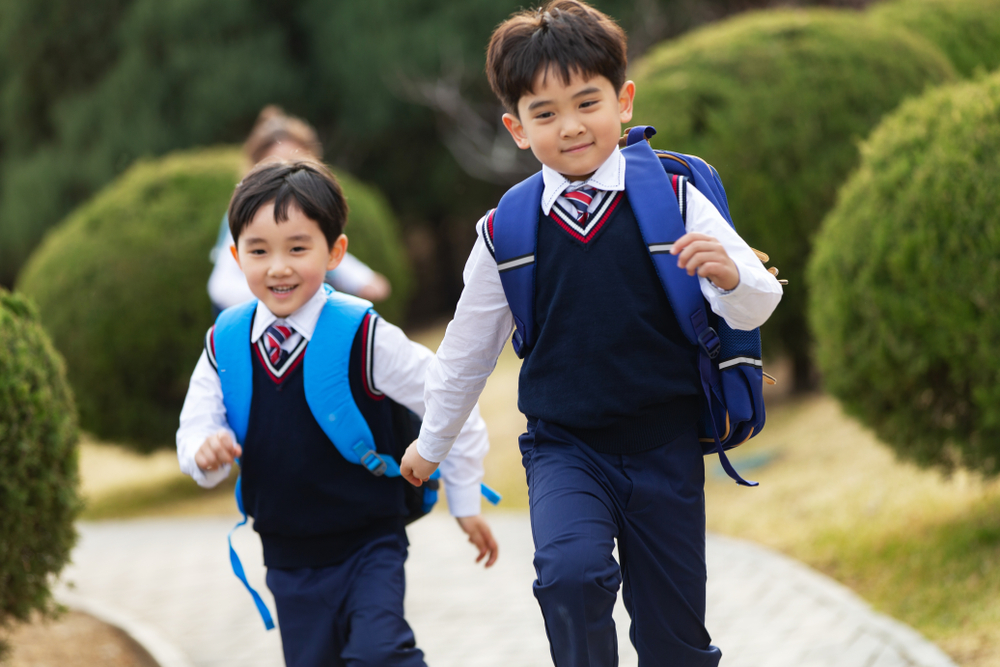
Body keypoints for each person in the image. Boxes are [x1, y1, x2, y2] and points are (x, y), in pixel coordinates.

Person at [400, 1, 782, 665]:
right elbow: (465, 356)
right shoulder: (506, 233)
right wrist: (430, 445)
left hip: (665, 446)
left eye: (587, 102)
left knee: (676, 640)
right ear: (516, 128)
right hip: (565, 447)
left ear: (624, 99)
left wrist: (729, 278)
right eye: (544, 114)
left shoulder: (673, 194)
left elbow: (758, 302)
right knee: (570, 578)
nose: (570, 127)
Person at [178, 159, 497, 667]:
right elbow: (196, 425)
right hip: (285, 554)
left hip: (370, 541)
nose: (278, 266)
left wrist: (463, 496)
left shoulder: (362, 335)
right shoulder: (226, 343)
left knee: (380, 654)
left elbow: (448, 394)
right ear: (237, 257)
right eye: (259, 251)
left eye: (298, 248)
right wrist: (206, 451)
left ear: (335, 252)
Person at [208, 106, 391, 313]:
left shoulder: (314, 208)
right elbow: (220, 286)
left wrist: (362, 278)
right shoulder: (247, 216)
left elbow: (325, 247)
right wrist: (274, 294)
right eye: (275, 165)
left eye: (297, 163)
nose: (288, 174)